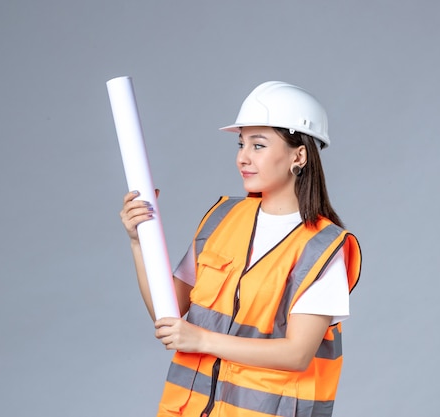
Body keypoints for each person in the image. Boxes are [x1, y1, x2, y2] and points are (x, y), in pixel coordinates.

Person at [119, 81, 362, 417]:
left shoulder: (321, 247)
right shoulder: (222, 219)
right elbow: (168, 314)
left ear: (299, 155)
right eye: (241, 143)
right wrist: (137, 242)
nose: (242, 158)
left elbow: (298, 353)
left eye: (258, 145)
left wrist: (201, 341)